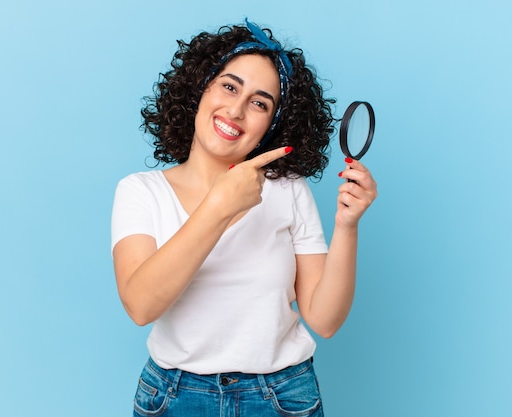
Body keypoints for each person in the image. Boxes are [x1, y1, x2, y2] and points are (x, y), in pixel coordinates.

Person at [111, 18, 377, 417]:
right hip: (173, 396)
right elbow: (141, 306)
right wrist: (220, 206)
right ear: (200, 89)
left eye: (259, 103)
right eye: (229, 86)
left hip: (282, 397)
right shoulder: (140, 190)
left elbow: (324, 321)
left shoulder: (288, 190)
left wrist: (347, 226)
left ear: (273, 125)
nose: (236, 110)